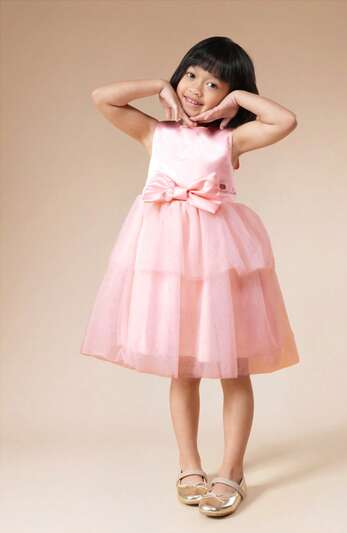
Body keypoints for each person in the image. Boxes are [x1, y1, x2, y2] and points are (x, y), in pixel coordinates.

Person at [80, 36, 300, 517]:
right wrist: (157, 85)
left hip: (218, 260)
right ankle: (189, 465)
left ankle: (232, 470)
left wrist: (239, 100)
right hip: (170, 262)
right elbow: (103, 97)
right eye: (191, 75)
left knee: (233, 368)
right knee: (183, 369)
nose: (197, 89)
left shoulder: (229, 140)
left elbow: (284, 121)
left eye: (214, 83)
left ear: (228, 93)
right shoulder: (154, 133)